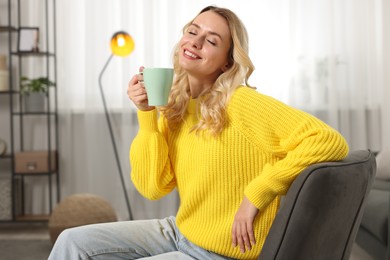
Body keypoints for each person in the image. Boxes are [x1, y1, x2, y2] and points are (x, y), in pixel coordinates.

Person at [49, 5, 349, 260]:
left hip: (220, 250)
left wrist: (256, 195)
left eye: (212, 41)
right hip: (180, 230)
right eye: (193, 32)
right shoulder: (175, 106)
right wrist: (147, 115)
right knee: (71, 242)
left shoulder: (241, 102)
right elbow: (153, 188)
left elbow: (328, 140)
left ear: (228, 62)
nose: (195, 42)